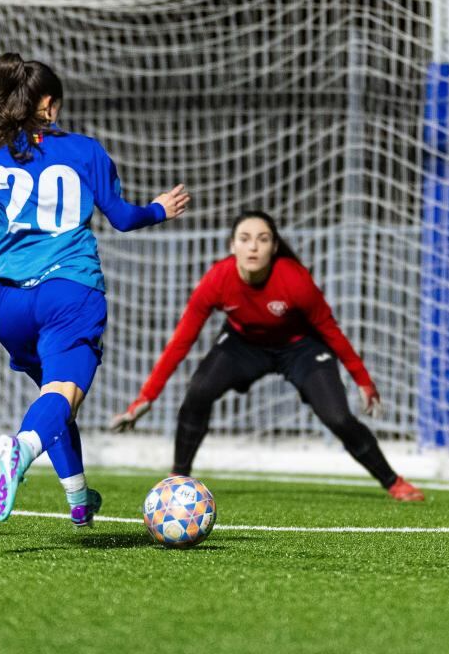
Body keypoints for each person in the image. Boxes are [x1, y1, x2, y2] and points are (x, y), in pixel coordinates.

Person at [0, 52, 189, 526]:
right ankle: (18, 452)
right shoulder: (85, 151)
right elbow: (123, 219)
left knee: (54, 396)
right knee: (63, 392)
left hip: (10, 305)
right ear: (47, 104)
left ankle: (80, 499)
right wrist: (159, 210)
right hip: (69, 291)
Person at [109, 210, 424, 502]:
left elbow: (331, 331)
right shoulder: (218, 280)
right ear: (232, 245)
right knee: (198, 392)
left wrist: (363, 381)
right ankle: (178, 479)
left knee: (338, 418)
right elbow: (181, 342)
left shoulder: (295, 280)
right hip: (243, 345)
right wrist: (145, 398)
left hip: (301, 348)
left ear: (274, 247)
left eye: (263, 239)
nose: (253, 247)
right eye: (244, 239)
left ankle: (393, 482)